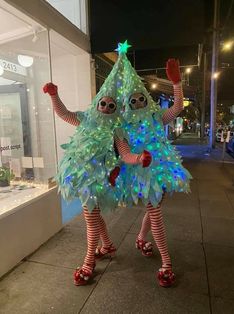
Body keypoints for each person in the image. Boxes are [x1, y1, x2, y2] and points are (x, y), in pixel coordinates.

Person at [43, 48, 152, 286]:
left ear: (115, 110)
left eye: (111, 105)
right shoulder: (84, 118)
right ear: (97, 102)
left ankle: (89, 261)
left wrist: (139, 158)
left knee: (90, 218)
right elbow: (63, 113)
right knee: (92, 215)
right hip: (82, 178)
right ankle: (108, 245)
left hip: (100, 180)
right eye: (103, 102)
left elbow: (125, 154)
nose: (105, 106)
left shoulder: (116, 130)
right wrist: (54, 95)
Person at [116, 45, 192, 287]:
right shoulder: (122, 128)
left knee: (154, 209)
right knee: (156, 212)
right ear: (126, 103)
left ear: (145, 99)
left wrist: (177, 83)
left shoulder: (156, 117)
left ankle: (140, 238)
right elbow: (125, 154)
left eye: (141, 98)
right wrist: (139, 159)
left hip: (162, 171)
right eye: (133, 100)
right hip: (142, 175)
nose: (138, 102)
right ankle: (166, 261)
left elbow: (178, 107)